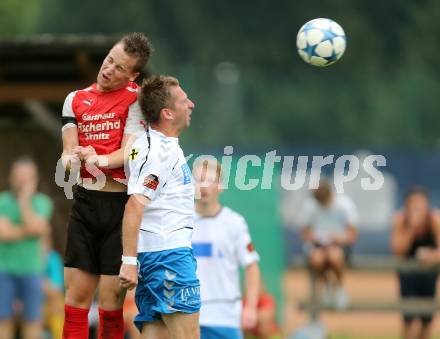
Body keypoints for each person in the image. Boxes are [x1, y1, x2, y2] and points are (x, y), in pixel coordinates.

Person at [61, 32, 153, 339]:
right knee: (75, 301)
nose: (109, 68)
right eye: (109, 59)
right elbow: (67, 155)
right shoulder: (75, 99)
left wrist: (97, 159)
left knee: (112, 304)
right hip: (85, 205)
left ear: (133, 75)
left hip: (119, 210)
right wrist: (72, 160)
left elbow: (130, 153)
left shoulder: (136, 100)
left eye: (119, 67)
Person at [118, 75, 199, 339]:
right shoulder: (159, 153)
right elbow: (135, 204)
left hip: (155, 258)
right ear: (167, 113)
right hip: (169, 258)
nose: (192, 104)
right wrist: (128, 261)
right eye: (184, 100)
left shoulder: (151, 145)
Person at [191, 158, 261, 339]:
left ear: (220, 186)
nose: (204, 186)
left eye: (210, 180)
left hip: (225, 318)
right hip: (187, 316)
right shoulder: (180, 221)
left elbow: (251, 266)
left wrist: (251, 308)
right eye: (199, 179)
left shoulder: (234, 223)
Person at [0, 157, 53, 339]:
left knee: (32, 319)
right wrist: (31, 230)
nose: (22, 181)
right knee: (3, 319)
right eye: (19, 176)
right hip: (4, 270)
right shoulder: (3, 201)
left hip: (32, 270)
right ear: (11, 178)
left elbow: (37, 228)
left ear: (35, 179)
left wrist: (24, 202)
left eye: (26, 177)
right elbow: (4, 233)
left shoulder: (42, 202)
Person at [300, 180, 358, 309]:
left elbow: (352, 234)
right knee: (317, 258)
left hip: (339, 245)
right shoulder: (309, 206)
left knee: (334, 256)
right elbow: (304, 232)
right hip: (318, 246)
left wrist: (339, 238)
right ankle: (326, 287)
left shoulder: (344, 204)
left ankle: (338, 289)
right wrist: (316, 238)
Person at [390, 186, 440, 339]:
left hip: (429, 276)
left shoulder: (434, 220)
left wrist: (430, 256)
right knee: (408, 319)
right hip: (407, 276)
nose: (416, 208)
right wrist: (411, 227)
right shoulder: (400, 220)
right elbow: (398, 250)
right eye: (412, 204)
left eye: (420, 204)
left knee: (426, 319)